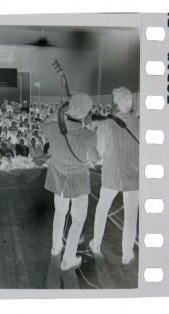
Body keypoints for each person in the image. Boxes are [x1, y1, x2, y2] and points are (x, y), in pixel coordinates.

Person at [40, 93, 96, 271]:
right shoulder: (89, 135)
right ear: (86, 114)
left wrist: (60, 110)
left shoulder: (53, 128)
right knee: (78, 220)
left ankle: (56, 247)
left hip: (58, 180)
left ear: (68, 109)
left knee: (60, 213)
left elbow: (43, 125)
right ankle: (68, 259)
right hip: (78, 182)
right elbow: (95, 158)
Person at [89, 87, 139, 265]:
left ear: (115, 103)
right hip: (134, 176)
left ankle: (96, 243)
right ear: (131, 103)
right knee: (131, 215)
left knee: (102, 209)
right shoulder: (141, 123)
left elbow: (101, 153)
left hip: (111, 175)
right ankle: (127, 253)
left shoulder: (105, 125)